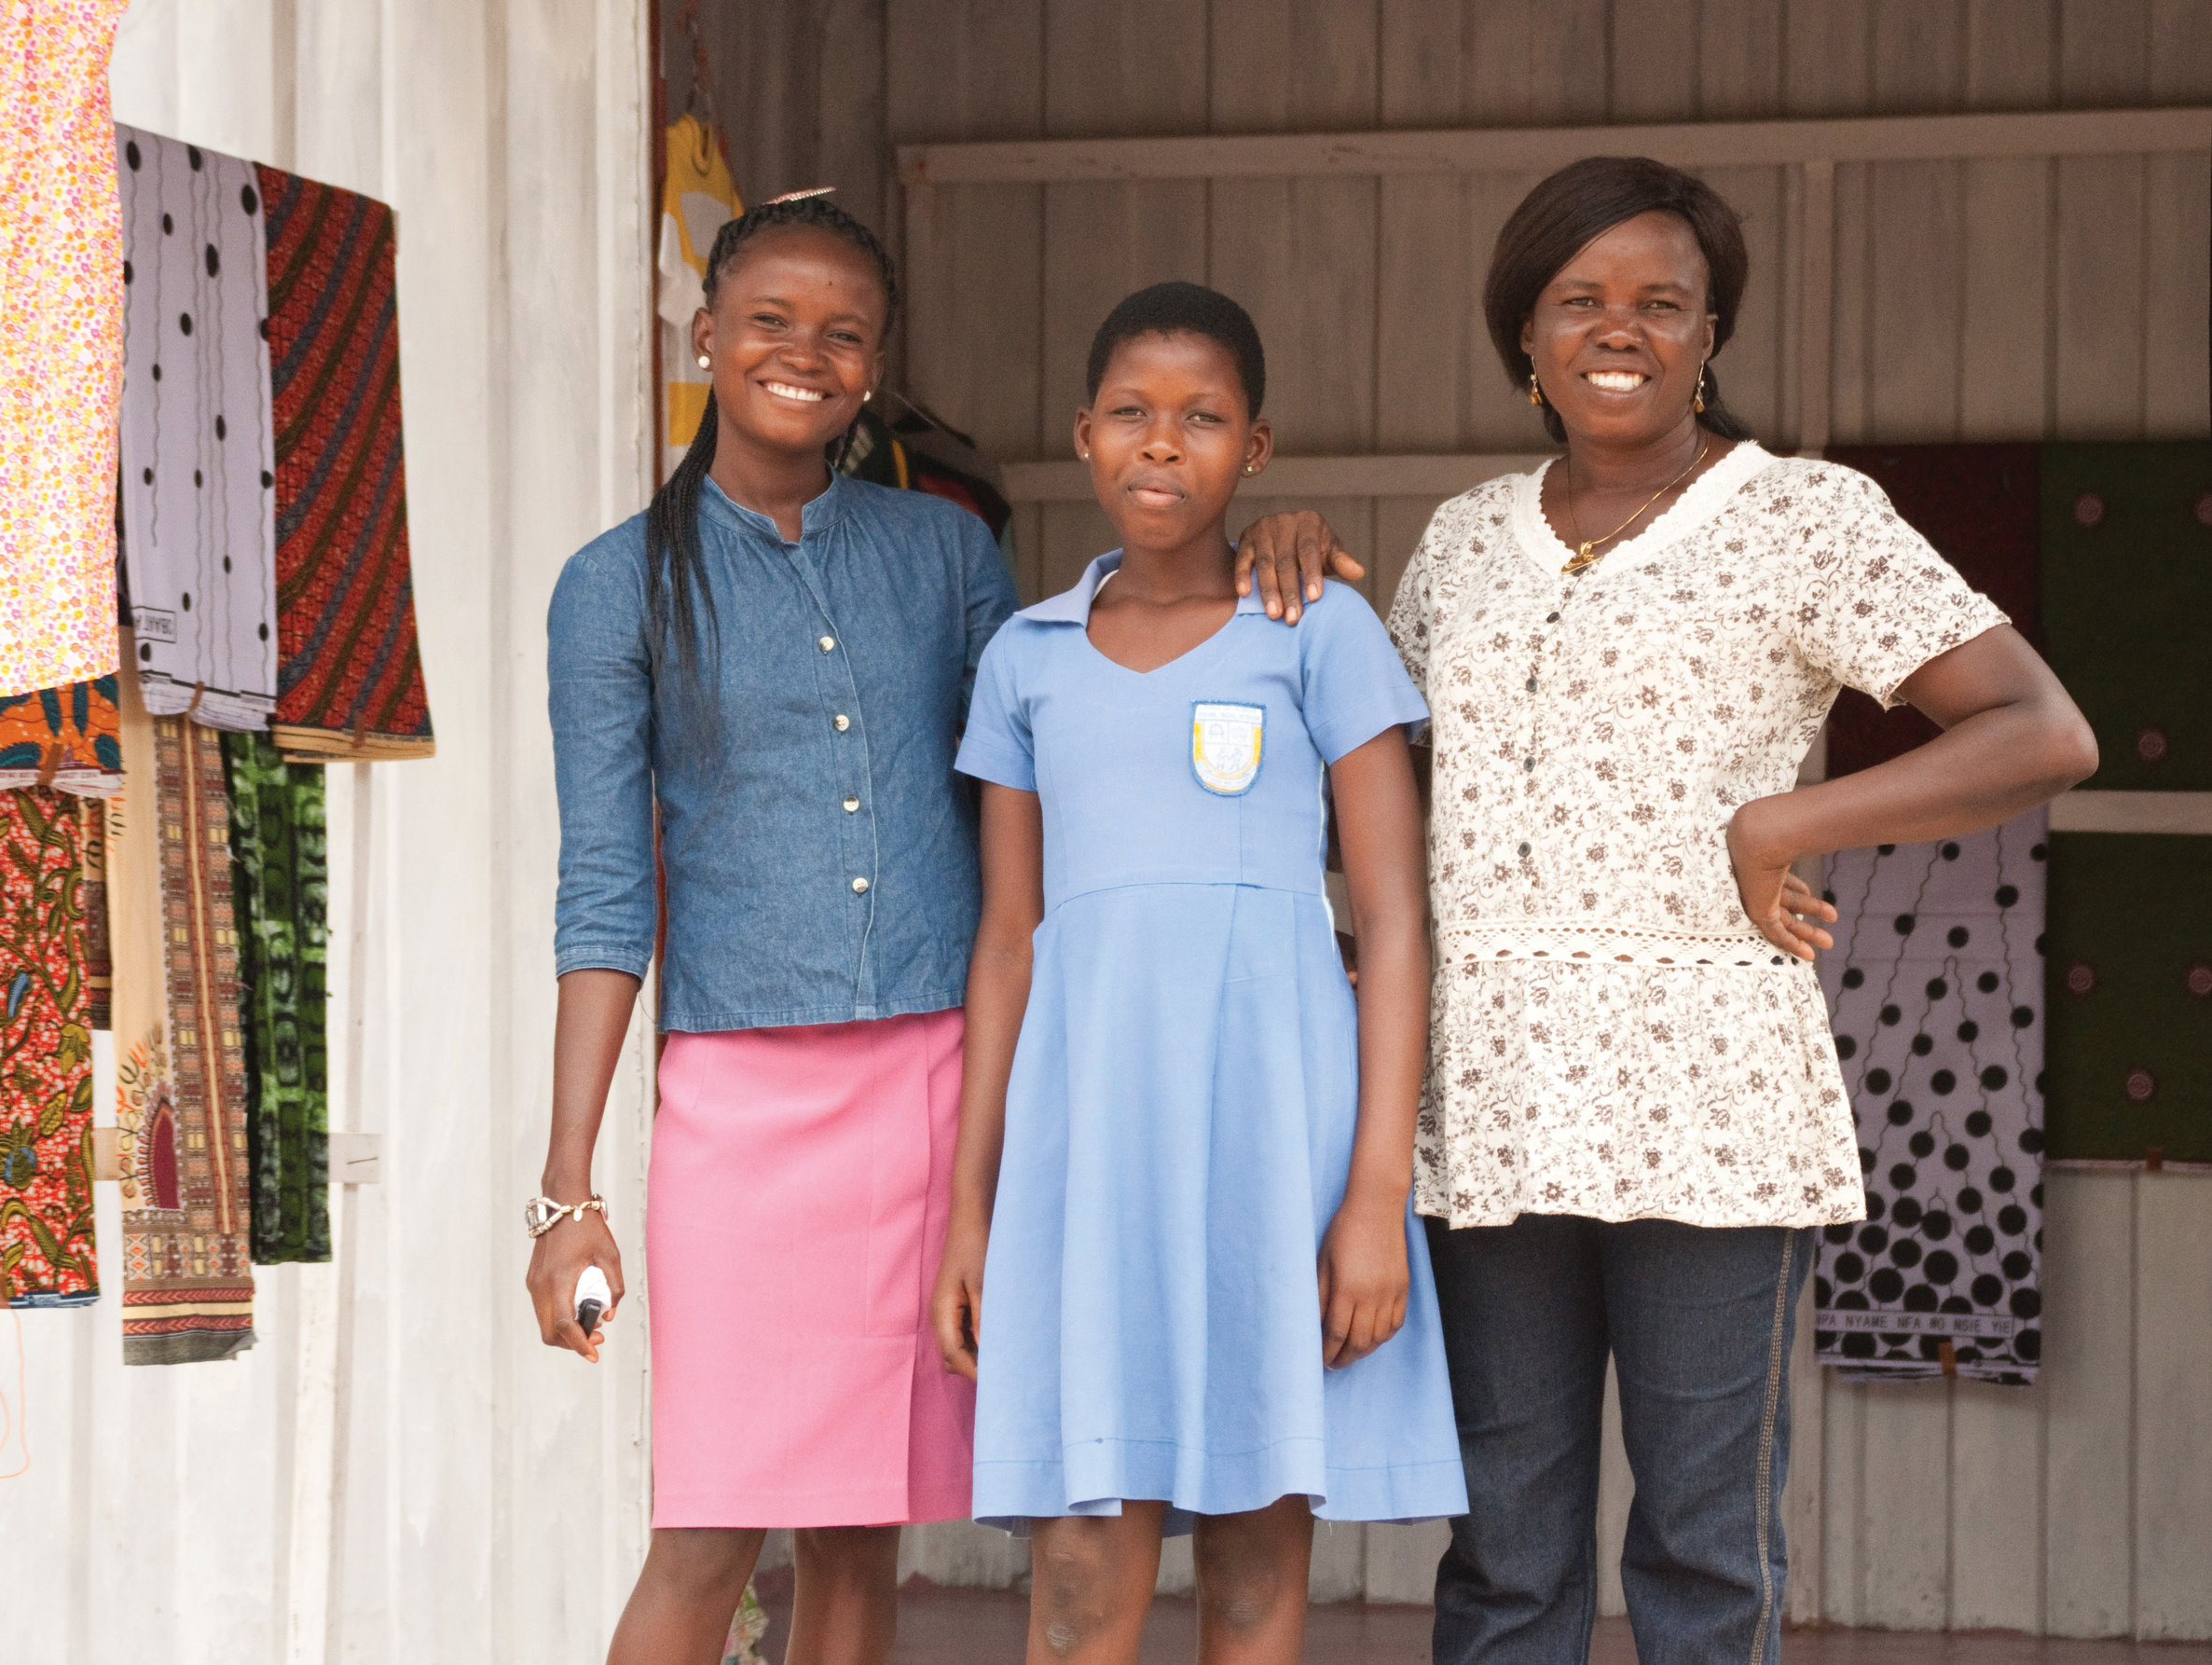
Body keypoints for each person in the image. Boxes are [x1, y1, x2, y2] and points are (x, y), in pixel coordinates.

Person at [531, 202, 1358, 1665]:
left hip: (943, 1086)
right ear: (705, 334)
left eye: (845, 332)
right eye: (771, 320)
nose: (806, 353)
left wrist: (1261, 551)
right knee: (710, 1526)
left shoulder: (950, 555)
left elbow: (1088, 739)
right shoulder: (615, 585)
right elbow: (604, 889)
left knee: (867, 1532)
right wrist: (565, 1187)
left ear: (877, 365)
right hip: (739, 1099)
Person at [1365, 157, 2096, 1665]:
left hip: (1711, 1104)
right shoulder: (1458, 543)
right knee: (1503, 1549)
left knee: (1705, 1549)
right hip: (1492, 1098)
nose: (1617, 330)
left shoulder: (1804, 517)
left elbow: (2040, 729)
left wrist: (1792, 817)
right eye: (1580, 301)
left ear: (1712, 335)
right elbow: (1379, 786)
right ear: (1527, 337)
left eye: (1661, 303)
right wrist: (1276, 578)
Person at [932, 282, 1468, 1665]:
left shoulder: (1322, 636)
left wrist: (1373, 1194)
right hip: (1085, 1160)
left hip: (1271, 1158)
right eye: (1131, 414)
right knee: (1077, 1584)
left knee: (1251, 1577)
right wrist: (973, 1204)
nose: (1162, 445)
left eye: (1203, 418)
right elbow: (1007, 939)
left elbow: (1396, 919)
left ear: (1260, 448)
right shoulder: (1025, 657)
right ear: (1082, 434)